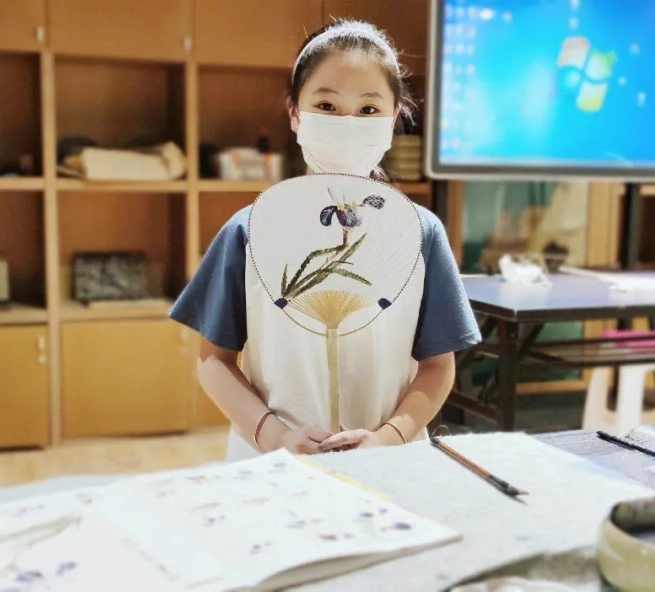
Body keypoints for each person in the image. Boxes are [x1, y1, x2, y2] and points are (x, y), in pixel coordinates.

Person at [168, 20, 480, 461]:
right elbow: (213, 361)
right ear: (295, 113)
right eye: (327, 105)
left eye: (368, 109)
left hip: (391, 463)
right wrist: (276, 437)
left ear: (393, 119)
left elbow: (438, 367)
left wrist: (386, 439)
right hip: (274, 464)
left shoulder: (419, 234)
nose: (348, 123)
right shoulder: (250, 231)